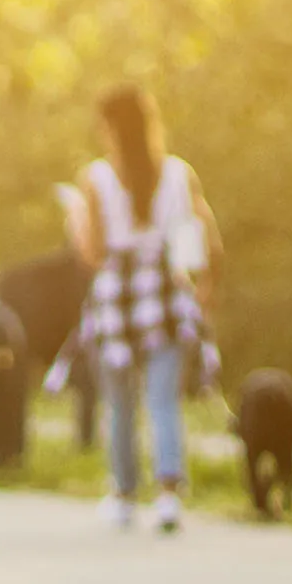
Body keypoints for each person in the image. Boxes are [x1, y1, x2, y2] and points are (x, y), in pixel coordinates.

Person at [57, 85, 219, 533]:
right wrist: (202, 289)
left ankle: (124, 494)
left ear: (109, 128)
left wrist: (73, 217)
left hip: (119, 293)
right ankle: (168, 495)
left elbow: (92, 252)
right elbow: (203, 238)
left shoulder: (96, 179)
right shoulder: (179, 175)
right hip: (166, 288)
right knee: (163, 398)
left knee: (120, 402)